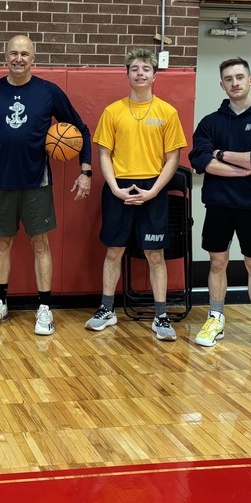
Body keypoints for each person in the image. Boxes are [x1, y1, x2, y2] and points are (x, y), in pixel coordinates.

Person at [0, 34, 93, 336]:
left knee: (40, 244)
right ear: (5, 56)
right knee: (3, 243)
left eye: (24, 54)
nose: (18, 59)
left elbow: (81, 129)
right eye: (13, 53)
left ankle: (44, 309)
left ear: (33, 58)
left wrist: (86, 169)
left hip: (36, 182)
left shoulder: (48, 92)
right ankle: (0, 303)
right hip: (0, 182)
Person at [189, 58, 251, 356]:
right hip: (218, 205)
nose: (235, 82)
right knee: (217, 263)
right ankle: (215, 317)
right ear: (222, 84)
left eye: (240, 77)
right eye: (228, 78)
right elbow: (200, 160)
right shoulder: (210, 122)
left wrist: (222, 154)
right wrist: (244, 166)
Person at [85, 49, 187, 341]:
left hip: (153, 188)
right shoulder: (113, 111)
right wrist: (115, 187)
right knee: (114, 251)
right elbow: (104, 154)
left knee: (155, 254)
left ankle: (161, 316)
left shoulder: (167, 112)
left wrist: (155, 190)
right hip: (120, 188)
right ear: (127, 74)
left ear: (155, 75)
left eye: (146, 69)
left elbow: (173, 157)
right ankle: (107, 310)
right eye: (135, 69)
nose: (140, 73)